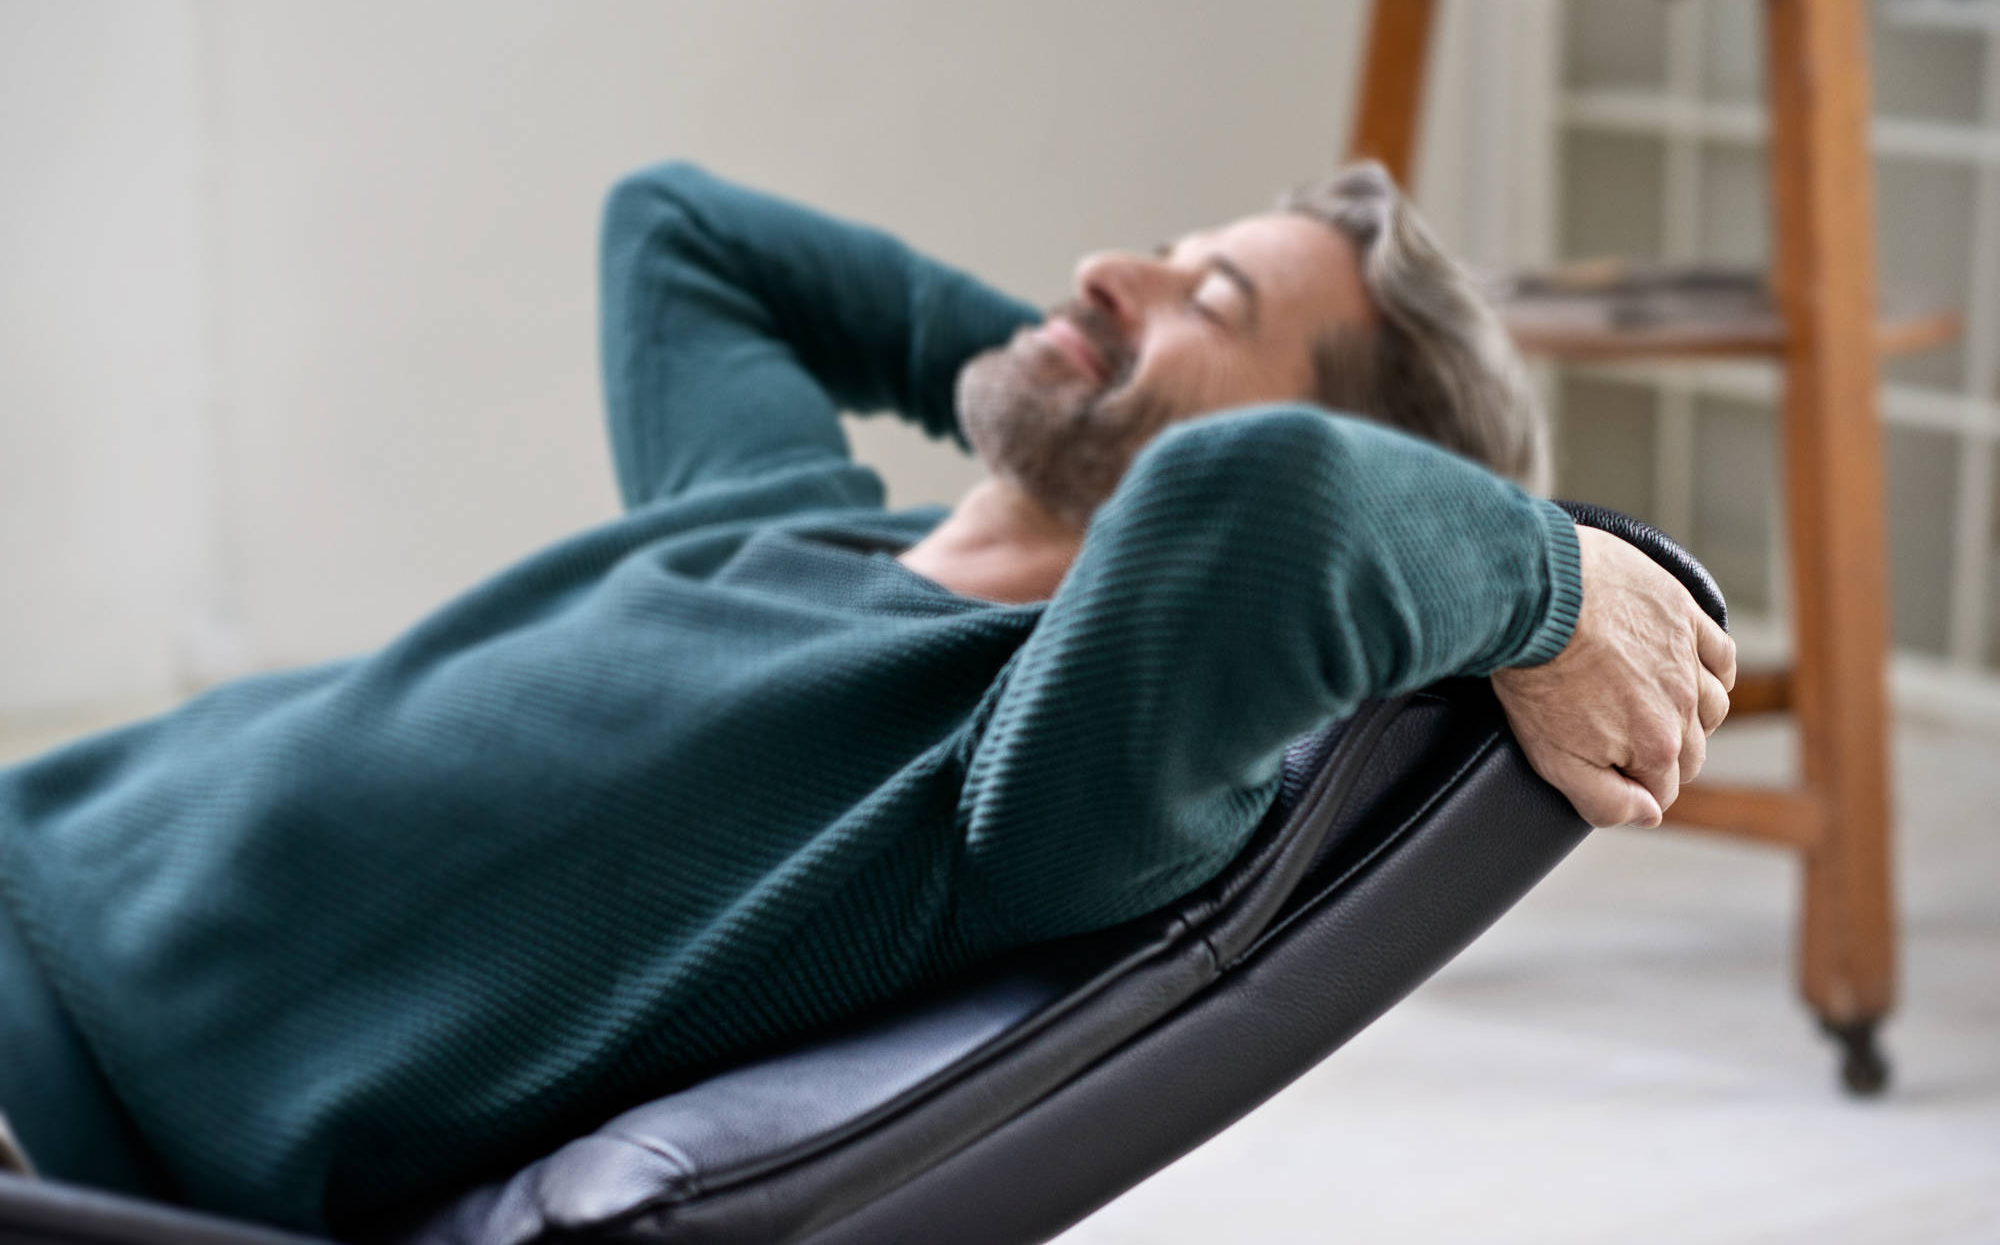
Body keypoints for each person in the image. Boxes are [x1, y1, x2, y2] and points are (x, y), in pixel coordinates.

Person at [0, 160, 1735, 1234]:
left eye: (1212, 296)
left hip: (59, 1117)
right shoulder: (776, 511)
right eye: (1153, 248)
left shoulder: (1027, 775)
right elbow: (682, 230)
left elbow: (1257, 503)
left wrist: (1549, 577)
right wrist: (1063, 381)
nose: (1108, 272)